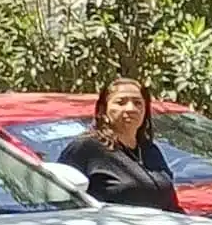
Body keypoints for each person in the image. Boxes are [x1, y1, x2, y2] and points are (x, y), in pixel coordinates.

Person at [66, 75, 180, 209]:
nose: (130, 109)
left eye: (138, 103)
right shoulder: (86, 148)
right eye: (121, 102)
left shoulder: (150, 150)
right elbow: (61, 198)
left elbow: (171, 205)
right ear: (103, 110)